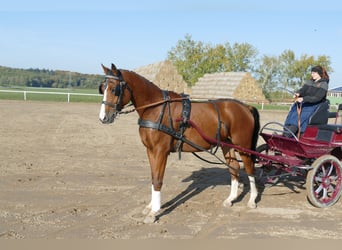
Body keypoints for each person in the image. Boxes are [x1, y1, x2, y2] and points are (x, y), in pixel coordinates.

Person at [283, 65, 329, 137]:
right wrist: (298, 93)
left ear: (319, 73)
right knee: (292, 112)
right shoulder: (309, 82)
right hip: (305, 103)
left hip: (314, 104)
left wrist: (304, 99)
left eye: (314, 73)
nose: (312, 74)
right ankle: (286, 131)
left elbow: (317, 98)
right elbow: (303, 90)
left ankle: (289, 133)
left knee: (301, 116)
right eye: (312, 73)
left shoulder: (323, 84)